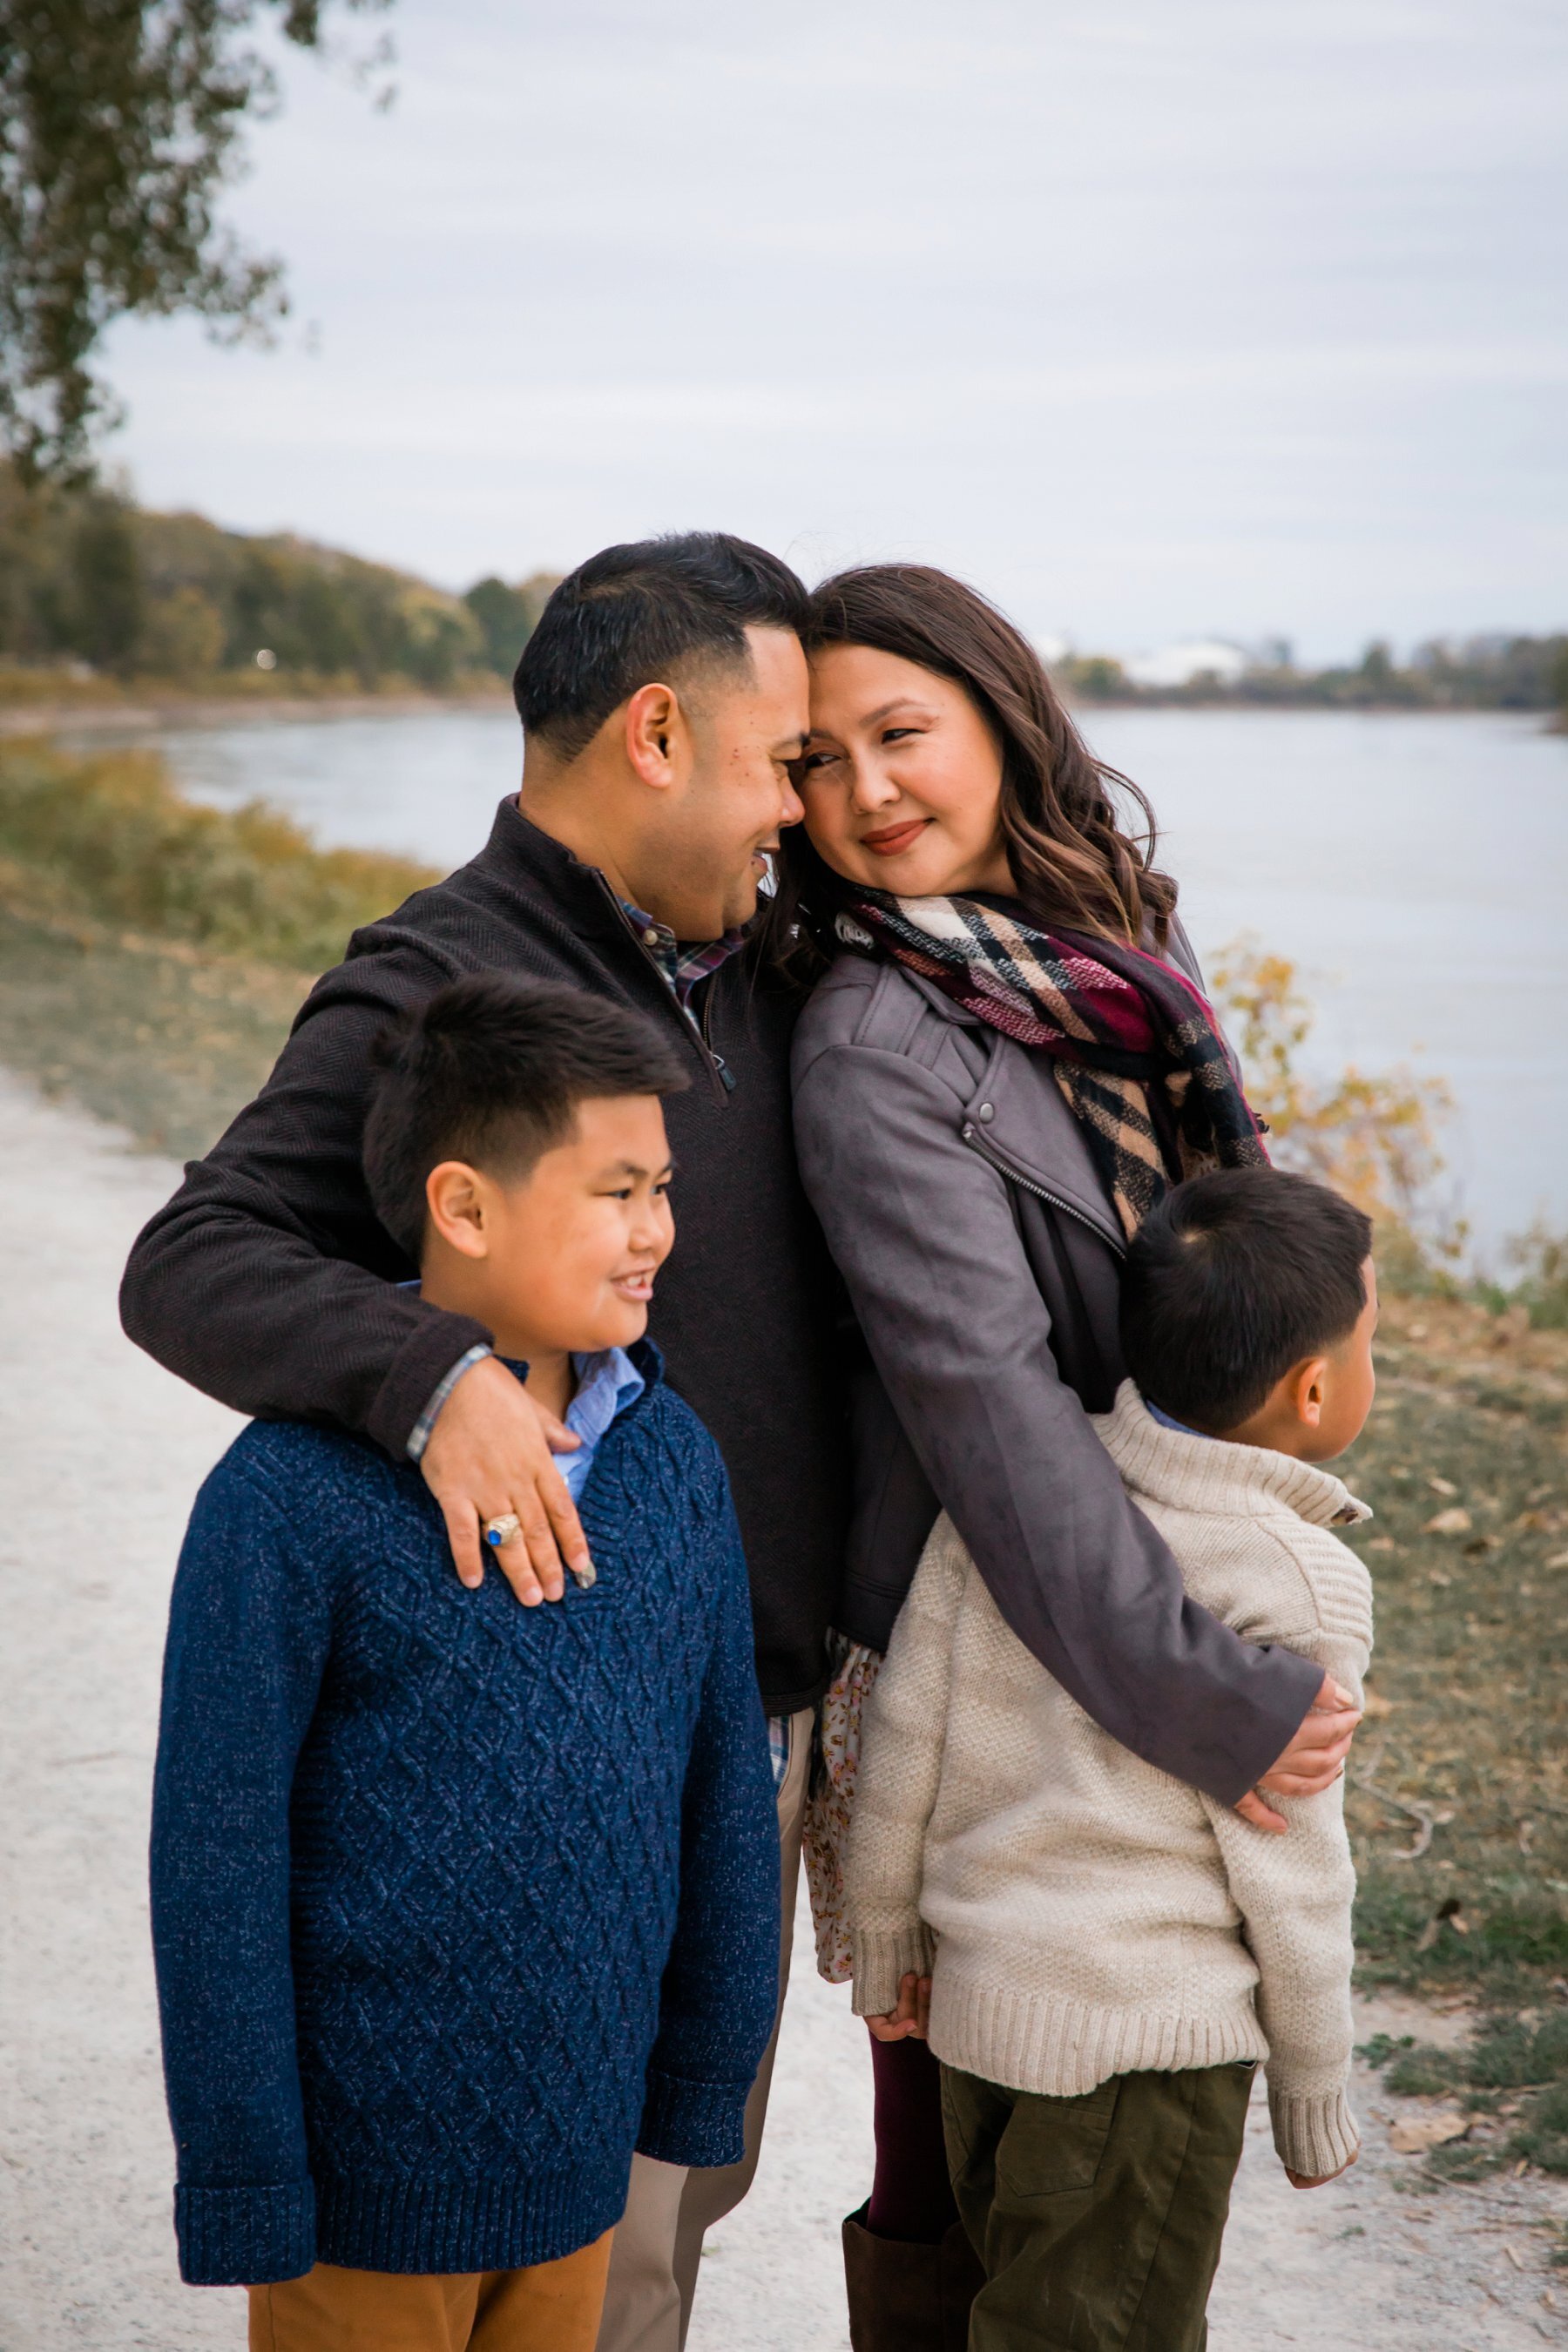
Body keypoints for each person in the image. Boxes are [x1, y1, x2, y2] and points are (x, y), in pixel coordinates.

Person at [121, 534, 847, 2352]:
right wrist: (427, 1374)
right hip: (515, 1736)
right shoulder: (433, 990)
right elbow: (191, 1261)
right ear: (660, 734)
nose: (808, 805)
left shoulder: (752, 950)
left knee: (649, 2245)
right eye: (788, 760)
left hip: (714, 1721)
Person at [782, 564, 1363, 2346]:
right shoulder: (874, 1046)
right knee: (966, 2160)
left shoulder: (1112, 959)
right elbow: (996, 1424)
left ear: (1002, 722)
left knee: (1096, 2154)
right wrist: (1217, 1698)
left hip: (1123, 1588)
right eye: (818, 761)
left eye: (901, 734)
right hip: (985, 1653)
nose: (868, 792)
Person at [149, 973, 781, 2352]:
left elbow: (722, 1786)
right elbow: (215, 1860)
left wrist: (700, 2076)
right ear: (466, 1207)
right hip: (360, 2201)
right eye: (616, 1191)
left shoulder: (674, 1465)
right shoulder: (288, 1500)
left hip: (583, 2165)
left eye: (662, 1189)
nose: (655, 1232)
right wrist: (250, 2178)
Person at [845, 1167, 1377, 2351]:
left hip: (978, 2034)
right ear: (1315, 1386)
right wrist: (1312, 2082)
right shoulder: (1299, 1577)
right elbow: (1296, 1865)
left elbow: (906, 1727)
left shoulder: (1025, 1500)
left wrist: (885, 1938)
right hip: (1149, 2062)